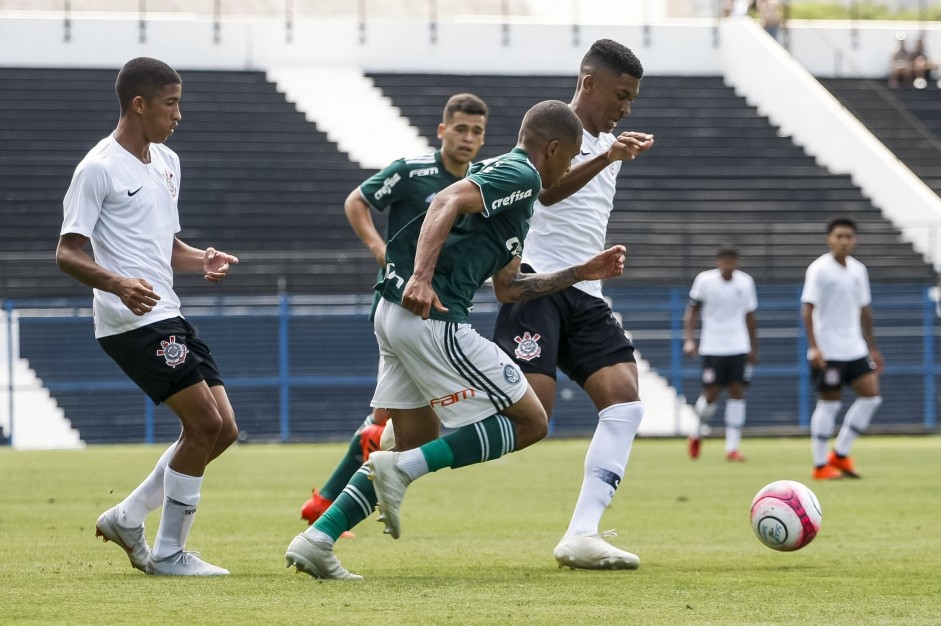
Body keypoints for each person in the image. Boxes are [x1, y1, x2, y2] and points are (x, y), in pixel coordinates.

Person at [285, 99, 628, 580]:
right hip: (432, 316)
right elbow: (445, 201)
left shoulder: (513, 192)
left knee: (413, 442)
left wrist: (582, 271)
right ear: (552, 149)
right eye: (570, 158)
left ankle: (318, 539)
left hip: (395, 315)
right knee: (532, 421)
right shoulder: (521, 174)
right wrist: (422, 277)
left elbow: (510, 288)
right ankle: (399, 472)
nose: (569, 168)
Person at [56, 57, 239, 576]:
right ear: (139, 105)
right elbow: (67, 252)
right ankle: (168, 553)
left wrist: (199, 257)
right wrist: (116, 282)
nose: (178, 114)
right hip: (130, 318)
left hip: (167, 311)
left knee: (223, 429)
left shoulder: (167, 161)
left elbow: (164, 244)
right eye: (171, 103)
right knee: (202, 423)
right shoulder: (98, 167)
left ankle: (127, 516)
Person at [491, 39, 654, 571]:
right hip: (537, 281)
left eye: (632, 99)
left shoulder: (613, 145)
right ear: (589, 83)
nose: (626, 108)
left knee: (625, 402)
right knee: (528, 418)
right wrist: (607, 155)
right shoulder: (554, 134)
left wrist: (611, 152)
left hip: (585, 293)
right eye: (621, 95)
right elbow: (544, 192)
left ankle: (582, 533)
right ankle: (412, 427)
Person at [299, 93, 489, 528]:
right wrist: (379, 249)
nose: (468, 138)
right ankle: (338, 497)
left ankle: (326, 501)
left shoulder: (478, 183)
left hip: (442, 312)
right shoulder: (413, 171)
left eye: (476, 131)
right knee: (413, 423)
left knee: (395, 418)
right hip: (402, 305)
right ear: (442, 131)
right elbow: (357, 201)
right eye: (460, 128)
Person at [801, 217, 883, 481]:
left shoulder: (858, 270)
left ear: (855, 240)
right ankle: (819, 464)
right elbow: (807, 309)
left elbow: (865, 310)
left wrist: (872, 347)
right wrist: (814, 347)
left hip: (855, 347)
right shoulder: (819, 270)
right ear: (830, 239)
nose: (844, 241)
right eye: (839, 236)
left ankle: (841, 453)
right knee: (829, 405)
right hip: (829, 349)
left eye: (849, 236)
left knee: (871, 396)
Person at [683, 246, 758, 462]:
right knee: (711, 395)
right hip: (713, 346)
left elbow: (750, 315)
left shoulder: (745, 282)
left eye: (732, 261)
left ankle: (732, 447)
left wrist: (753, 347)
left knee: (737, 392)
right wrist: (689, 340)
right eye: (724, 261)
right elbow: (692, 312)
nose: (728, 265)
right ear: (718, 262)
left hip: (738, 346)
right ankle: (697, 432)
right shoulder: (704, 281)